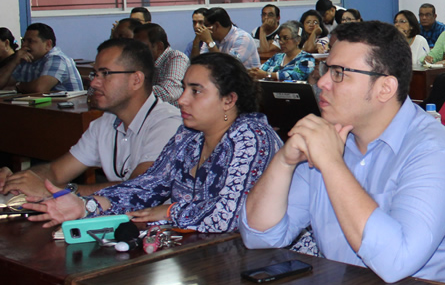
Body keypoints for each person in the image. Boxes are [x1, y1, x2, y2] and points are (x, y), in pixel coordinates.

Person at [239, 21, 445, 285]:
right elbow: (259, 236)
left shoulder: (433, 151)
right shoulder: (330, 138)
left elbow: (396, 262)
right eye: (326, 69)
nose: (321, 82)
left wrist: (332, 164)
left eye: (338, 73)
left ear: (385, 89)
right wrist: (284, 161)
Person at [26, 53, 281, 233]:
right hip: (201, 256)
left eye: (196, 90)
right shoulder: (188, 135)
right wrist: (85, 206)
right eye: (183, 89)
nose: (181, 99)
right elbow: (148, 186)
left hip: (264, 265)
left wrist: (171, 211)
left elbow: (231, 216)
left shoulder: (252, 137)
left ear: (229, 100)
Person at [0, 38, 181, 198]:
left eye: (105, 74)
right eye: (95, 74)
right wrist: (17, 180)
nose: (94, 82)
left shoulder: (168, 125)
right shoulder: (105, 123)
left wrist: (55, 191)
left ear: (136, 80)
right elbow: (56, 172)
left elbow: (138, 190)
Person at [0, 23, 82, 93]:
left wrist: (18, 86)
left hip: (68, 108)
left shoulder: (57, 59)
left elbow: (39, 88)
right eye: (23, 41)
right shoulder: (26, 58)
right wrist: (14, 62)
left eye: (30, 41)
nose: (24, 45)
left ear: (48, 44)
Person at [133, 22, 189, 107]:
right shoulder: (143, 62)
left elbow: (170, 92)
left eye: (141, 47)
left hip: (175, 115)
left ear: (159, 46)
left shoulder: (177, 58)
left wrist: (133, 91)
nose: (136, 51)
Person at [194, 7, 260, 69]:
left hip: (244, 79)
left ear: (216, 25)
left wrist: (210, 42)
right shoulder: (212, 39)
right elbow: (200, 63)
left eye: (206, 26)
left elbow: (227, 67)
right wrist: (197, 40)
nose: (204, 29)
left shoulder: (242, 38)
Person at [250, 21, 316, 82]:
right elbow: (261, 69)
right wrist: (254, 72)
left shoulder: (307, 58)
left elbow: (295, 76)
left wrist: (267, 75)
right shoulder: (277, 57)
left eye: (285, 38)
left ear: (298, 40)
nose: (281, 42)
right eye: (280, 38)